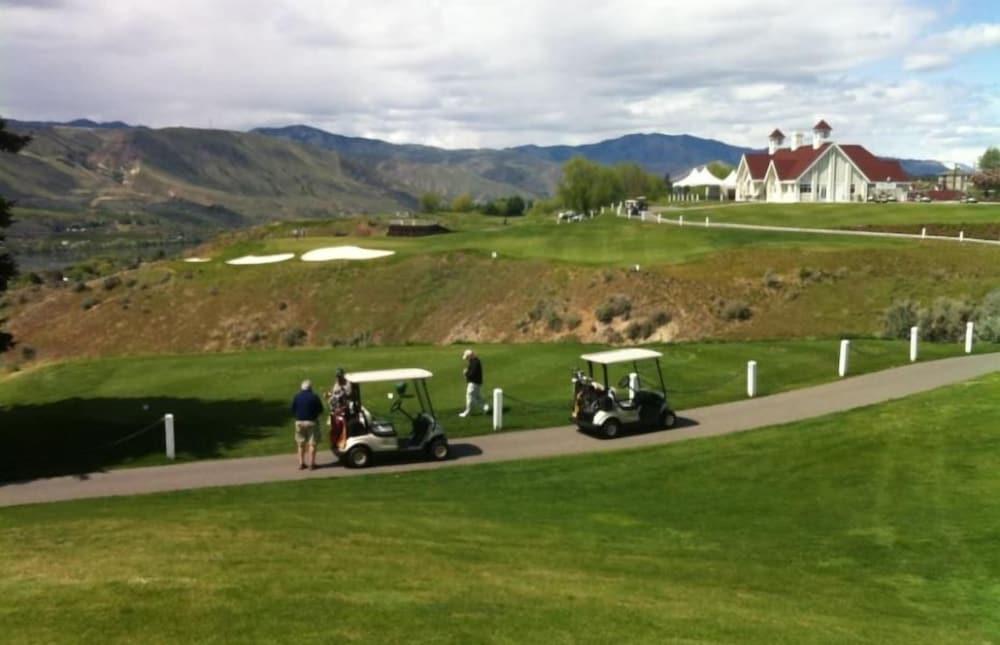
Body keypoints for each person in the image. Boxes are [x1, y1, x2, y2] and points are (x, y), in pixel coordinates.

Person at [290, 379, 323, 470]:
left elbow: (292, 409)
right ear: (310, 388)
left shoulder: (297, 396)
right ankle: (312, 464)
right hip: (312, 422)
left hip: (299, 422)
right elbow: (320, 410)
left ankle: (301, 463)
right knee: (312, 444)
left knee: (300, 444)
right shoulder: (314, 396)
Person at [327, 368, 356, 451]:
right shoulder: (336, 384)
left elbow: (349, 395)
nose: (338, 378)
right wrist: (331, 396)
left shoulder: (347, 384)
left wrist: (342, 392)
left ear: (342, 375)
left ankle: (344, 441)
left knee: (343, 425)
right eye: (337, 377)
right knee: (335, 426)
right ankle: (335, 442)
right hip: (337, 408)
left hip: (345, 407)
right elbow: (334, 394)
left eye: (339, 376)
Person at [459, 349, 489, 418]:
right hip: (477, 382)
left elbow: (472, 374)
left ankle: (467, 412)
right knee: (478, 396)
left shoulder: (475, 362)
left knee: (469, 396)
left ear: (470, 356)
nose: (466, 359)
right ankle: (485, 407)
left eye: (467, 357)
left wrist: (466, 372)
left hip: (474, 383)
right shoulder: (474, 361)